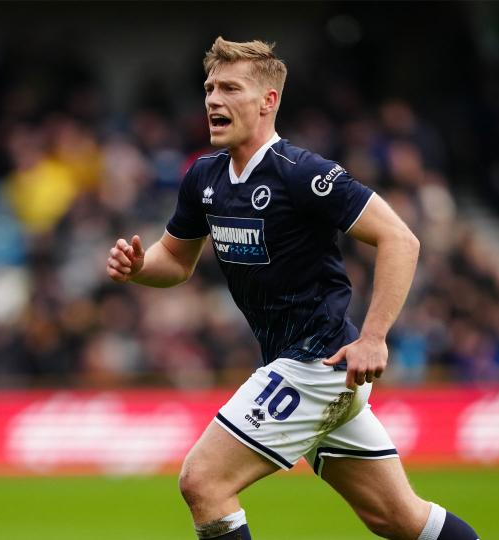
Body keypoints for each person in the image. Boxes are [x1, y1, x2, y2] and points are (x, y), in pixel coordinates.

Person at [106, 37, 479, 540]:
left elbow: (399, 238)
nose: (213, 99)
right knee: (400, 518)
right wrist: (138, 266)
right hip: (308, 367)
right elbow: (174, 259)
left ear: (268, 101)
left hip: (316, 361)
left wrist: (373, 337)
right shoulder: (204, 175)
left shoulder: (303, 173)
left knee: (204, 481)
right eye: (210, 88)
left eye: (230, 88)